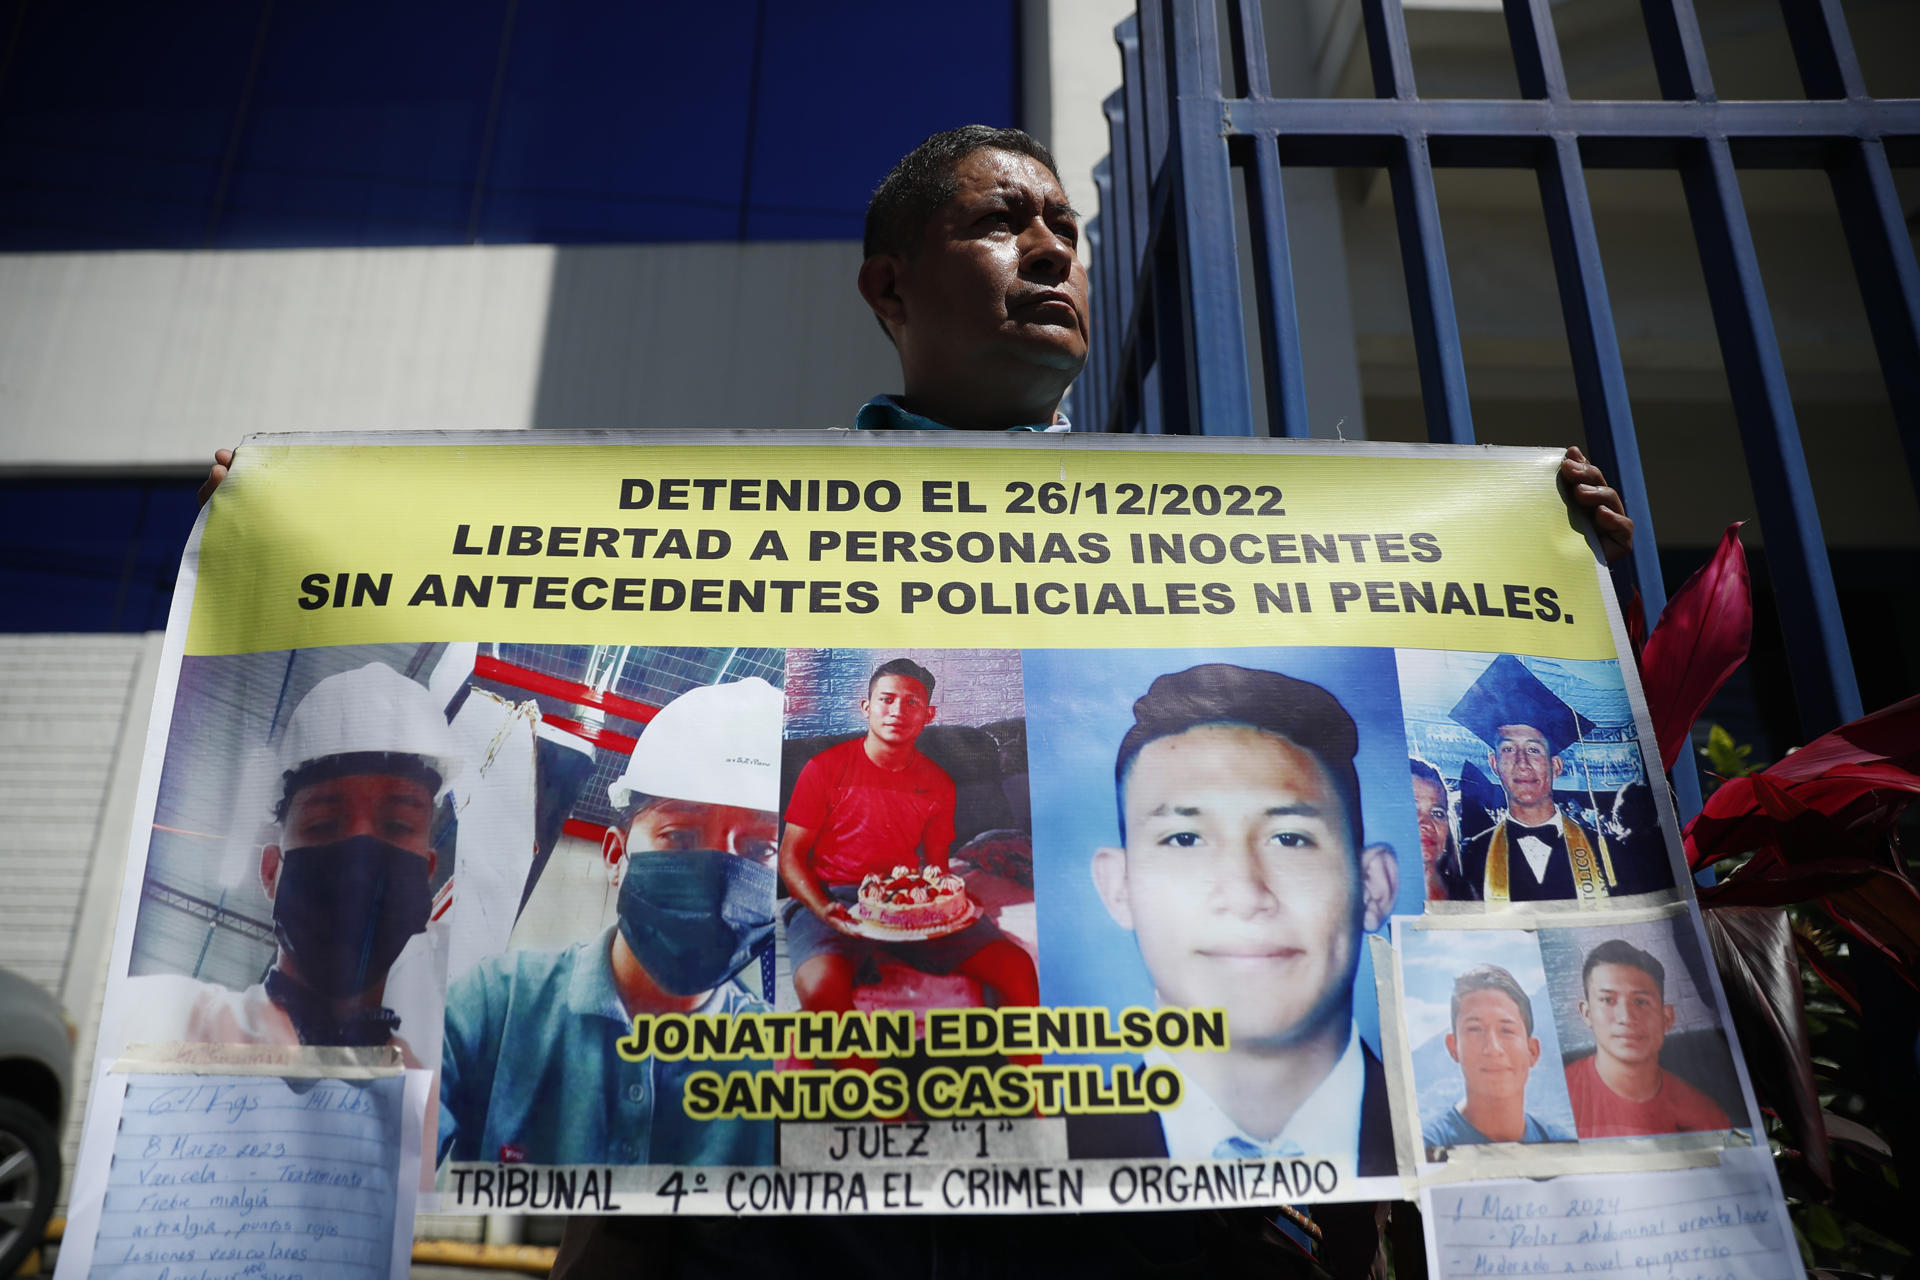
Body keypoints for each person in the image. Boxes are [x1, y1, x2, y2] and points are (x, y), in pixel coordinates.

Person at [199, 123, 1637, 1278]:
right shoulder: (730, 558)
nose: (1051, 249)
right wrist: (297, 532)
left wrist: (1524, 540)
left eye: (1066, 229)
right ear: (890, 286)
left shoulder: (1211, 543)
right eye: (1004, 221)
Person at [1066, 663, 1398, 1176]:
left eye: (1290, 839)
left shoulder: (1469, 1142)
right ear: (1119, 887)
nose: (1245, 895)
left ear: (1373, 888)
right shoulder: (1052, 1155)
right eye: (1184, 839)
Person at [437, 677, 781, 1168]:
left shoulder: (790, 1058)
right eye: (680, 837)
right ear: (616, 856)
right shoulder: (496, 1005)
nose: (720, 879)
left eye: (759, 848)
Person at [121, 662, 456, 1057]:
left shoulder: (435, 1090)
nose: (360, 862)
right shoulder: (159, 1022)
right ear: (270, 870)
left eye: (397, 824)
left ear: (428, 875)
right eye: (325, 823)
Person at [780, 658, 1038, 1034]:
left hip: (905, 901)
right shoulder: (823, 768)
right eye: (886, 700)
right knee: (821, 991)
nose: (898, 711)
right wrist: (824, 908)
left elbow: (936, 870)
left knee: (1016, 968)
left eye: (912, 703)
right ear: (866, 707)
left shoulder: (938, 783)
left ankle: (1025, 1091)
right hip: (830, 897)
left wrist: (951, 905)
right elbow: (790, 857)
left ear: (928, 714)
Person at [1450, 654, 1671, 902]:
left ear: (1555, 765)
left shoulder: (1609, 853)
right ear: (1494, 764)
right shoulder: (1469, 857)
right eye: (1508, 749)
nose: (1522, 763)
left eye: (1534, 750)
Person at [1564, 939, 1731, 1139]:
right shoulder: (1559, 1099)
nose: (1626, 1017)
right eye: (1608, 1000)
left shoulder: (1706, 1116)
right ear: (1587, 1013)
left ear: (1666, 1017)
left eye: (1641, 1002)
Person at [1422, 964, 1571, 1149]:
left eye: (1506, 1030)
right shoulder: (1427, 1149)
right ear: (1453, 1047)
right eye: (1475, 1029)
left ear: (1532, 1051)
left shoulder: (1562, 1145)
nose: (1492, 1048)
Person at [1411, 757, 1472, 901]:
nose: (1427, 823)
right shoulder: (1376, 897)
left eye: (1437, 813)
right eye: (1413, 809)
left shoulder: (1469, 893)